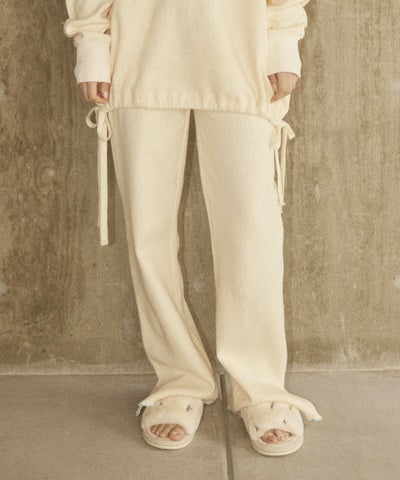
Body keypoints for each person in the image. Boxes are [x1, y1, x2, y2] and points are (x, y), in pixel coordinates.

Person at [63, 0, 322, 456]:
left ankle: (260, 386)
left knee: (252, 230)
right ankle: (179, 379)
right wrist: (92, 43)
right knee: (149, 231)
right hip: (138, 46)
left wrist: (282, 40)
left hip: (239, 46)